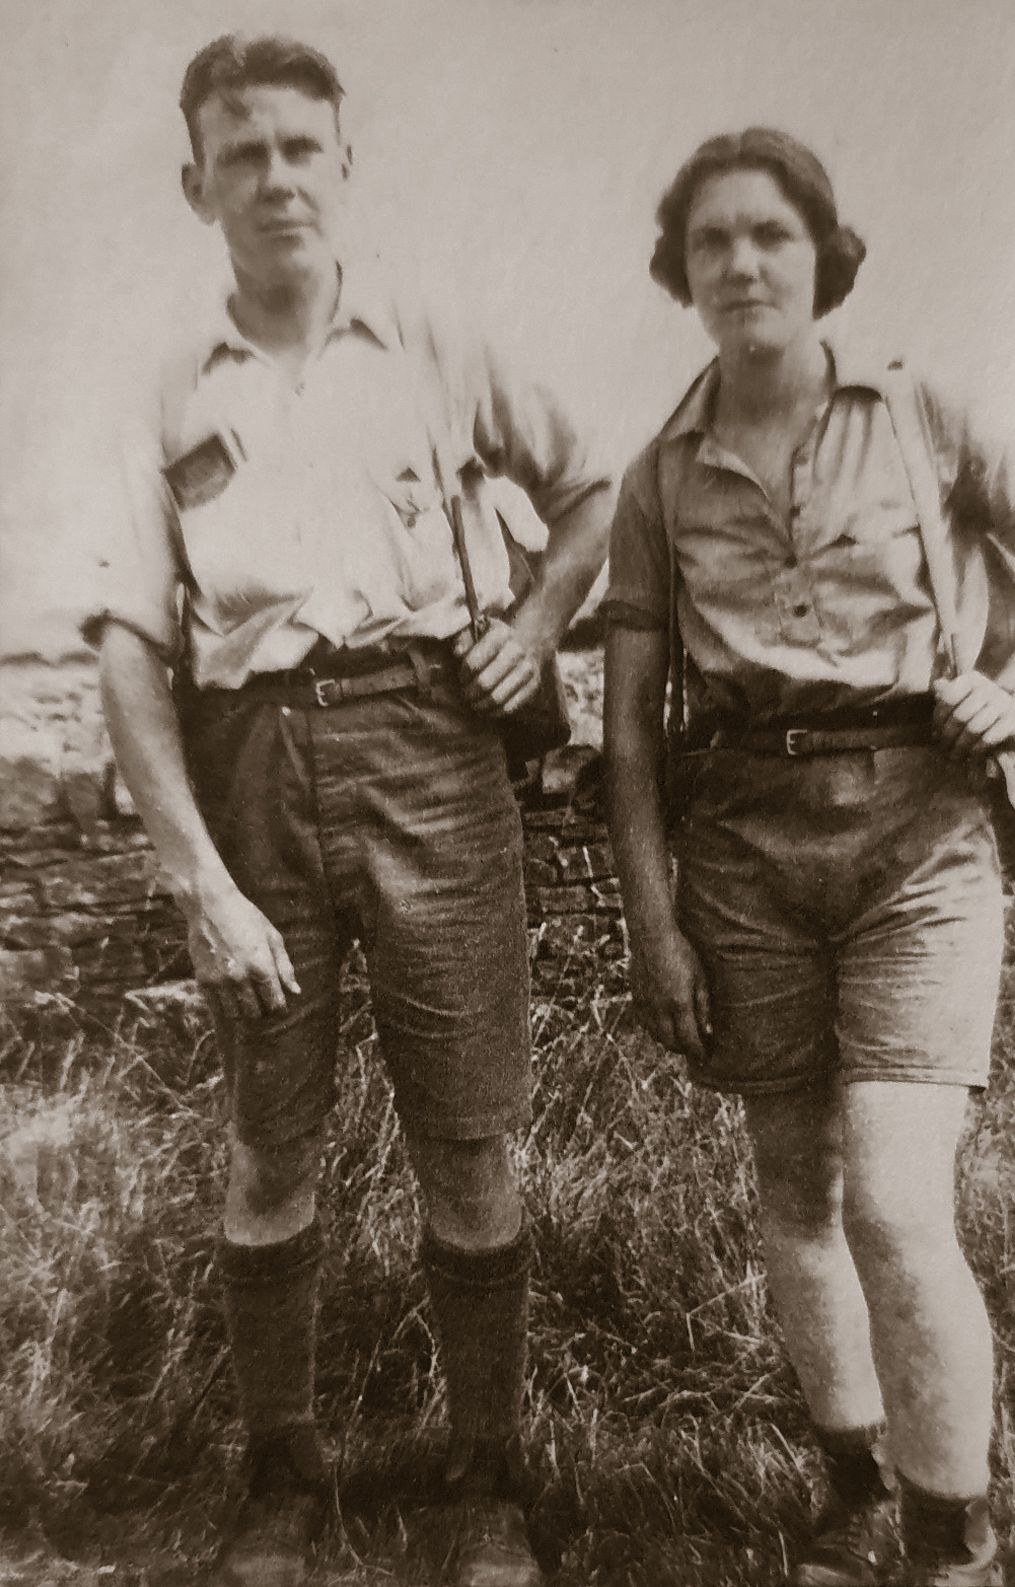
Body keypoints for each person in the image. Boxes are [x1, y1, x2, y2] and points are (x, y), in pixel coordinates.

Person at [87, 33, 612, 1587]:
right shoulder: (168, 384)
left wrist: (534, 629)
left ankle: (487, 1482)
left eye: (303, 148)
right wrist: (203, 883)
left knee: (471, 1137)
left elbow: (592, 495)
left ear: (346, 165)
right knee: (270, 1140)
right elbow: (128, 649)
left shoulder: (437, 340)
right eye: (242, 154)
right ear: (197, 187)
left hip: (434, 746)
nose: (276, 179)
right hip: (250, 768)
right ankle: (280, 1478)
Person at [603, 127, 1013, 1587]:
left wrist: (1011, 693)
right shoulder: (659, 470)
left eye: (768, 233)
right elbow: (632, 730)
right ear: (683, 273)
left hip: (923, 834)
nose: (741, 263)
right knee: (797, 1192)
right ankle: (852, 1489)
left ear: (823, 253)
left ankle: (954, 1535)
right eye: (710, 241)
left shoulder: (923, 411)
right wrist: (655, 925)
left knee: (901, 1200)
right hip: (744, 854)